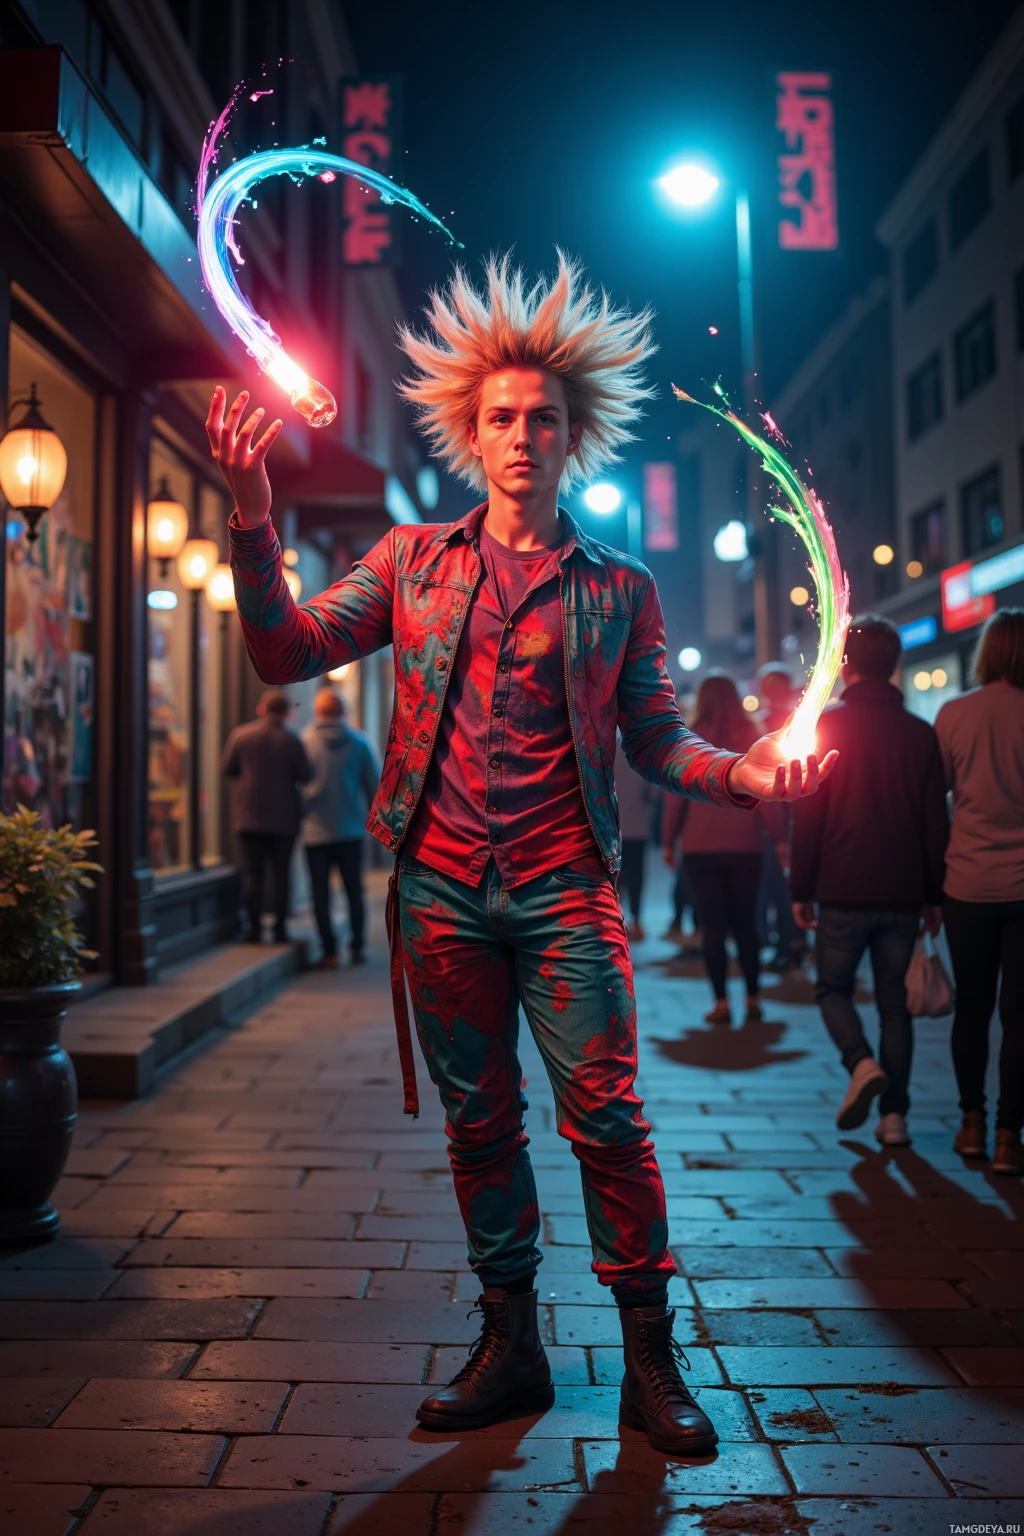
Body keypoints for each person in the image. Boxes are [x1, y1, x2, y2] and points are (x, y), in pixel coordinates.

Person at [207, 252, 835, 1456]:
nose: (521, 437)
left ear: (571, 435)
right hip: (440, 892)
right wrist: (251, 517)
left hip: (564, 891)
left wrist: (741, 771)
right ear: (471, 432)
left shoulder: (622, 587)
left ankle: (649, 1359)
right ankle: (512, 1346)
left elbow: (654, 738)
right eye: (501, 418)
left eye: (542, 418)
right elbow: (285, 652)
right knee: (479, 1124)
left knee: (608, 1119)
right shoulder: (411, 562)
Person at [790, 616, 947, 1146]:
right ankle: (894, 1118)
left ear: (845, 666)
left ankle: (860, 1062)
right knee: (894, 1006)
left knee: (832, 989)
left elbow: (808, 816)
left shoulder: (826, 728)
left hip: (840, 885)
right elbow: (934, 822)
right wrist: (934, 895)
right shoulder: (920, 734)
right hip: (903, 890)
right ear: (895, 665)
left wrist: (800, 888)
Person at [935, 608, 1024, 1176]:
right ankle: (1010, 1136)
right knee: (1019, 1016)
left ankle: (971, 1122)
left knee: (972, 1007)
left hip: (967, 881)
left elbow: (937, 793)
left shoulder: (955, 713)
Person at [664, 672, 785, 1026]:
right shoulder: (753, 737)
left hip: (699, 846)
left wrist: (669, 840)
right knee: (747, 923)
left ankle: (720, 1003)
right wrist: (779, 839)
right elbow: (768, 794)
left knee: (712, 926)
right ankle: (752, 998)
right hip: (745, 844)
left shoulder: (689, 738)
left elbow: (675, 796)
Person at [221, 690, 312, 943]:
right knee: (281, 875)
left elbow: (227, 768)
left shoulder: (241, 736)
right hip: (285, 819)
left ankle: (254, 929)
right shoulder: (291, 740)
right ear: (286, 713)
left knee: (253, 874)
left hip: (249, 817)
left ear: (261, 709)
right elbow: (306, 775)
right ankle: (280, 929)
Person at [301, 687, 381, 969]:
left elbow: (294, 784)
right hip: (350, 829)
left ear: (318, 711)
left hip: (315, 830)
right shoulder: (360, 742)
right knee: (353, 890)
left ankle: (329, 952)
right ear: (343, 711)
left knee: (320, 893)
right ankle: (357, 947)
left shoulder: (305, 742)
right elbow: (374, 785)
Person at [756, 662, 804, 970]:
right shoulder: (802, 722)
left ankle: (784, 943)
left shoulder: (760, 725)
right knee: (788, 886)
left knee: (776, 887)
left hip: (775, 820)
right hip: (792, 817)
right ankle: (792, 943)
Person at [614, 732, 656, 941]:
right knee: (636, 877)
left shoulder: (602, 751)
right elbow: (653, 794)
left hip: (610, 828)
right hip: (637, 827)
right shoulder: (641, 754)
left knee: (614, 878)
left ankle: (615, 921)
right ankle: (637, 921)